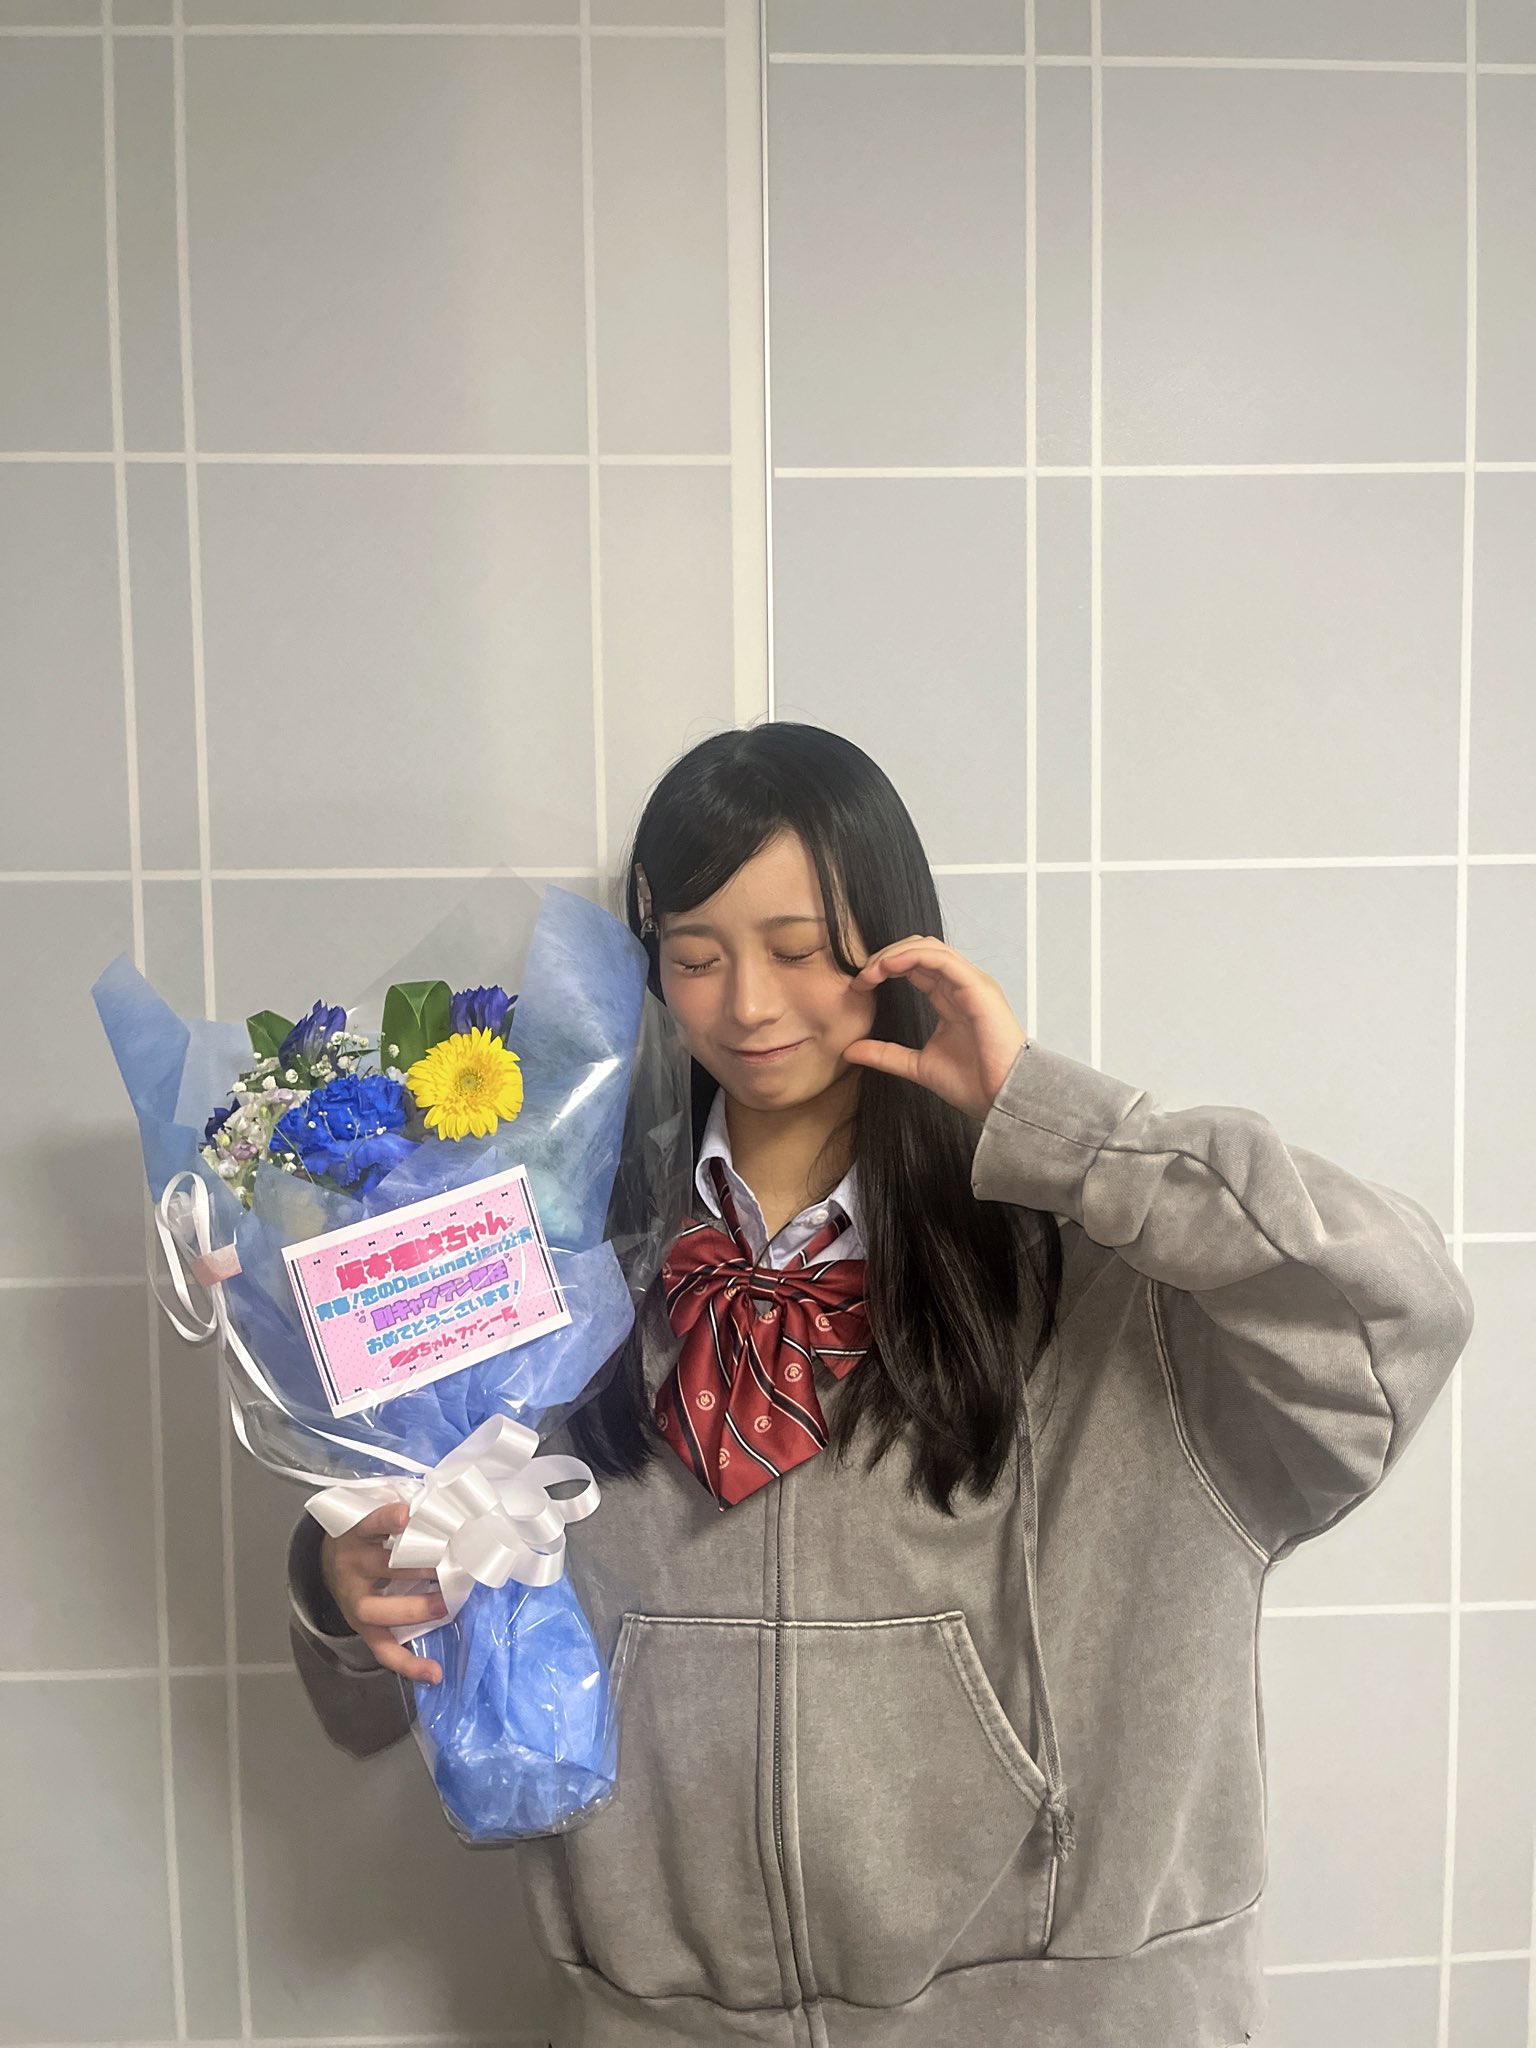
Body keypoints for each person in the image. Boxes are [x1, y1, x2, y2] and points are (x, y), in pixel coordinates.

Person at [286, 722, 1475, 2047]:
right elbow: (381, 1695)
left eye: (800, 949)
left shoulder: (1109, 1279)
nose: (748, 1005)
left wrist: (1061, 1129)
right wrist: (347, 1583)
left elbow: (1393, 1316)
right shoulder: (548, 1280)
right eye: (696, 956)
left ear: (896, 945)